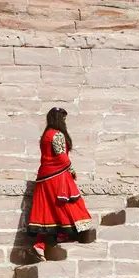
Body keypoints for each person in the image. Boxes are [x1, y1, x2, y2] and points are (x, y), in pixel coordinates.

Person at [27, 107, 92, 261]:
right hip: (57, 177)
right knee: (66, 206)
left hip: (44, 177)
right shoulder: (57, 135)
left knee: (49, 212)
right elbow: (62, 156)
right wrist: (72, 169)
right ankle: (64, 235)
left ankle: (41, 245)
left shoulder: (45, 136)